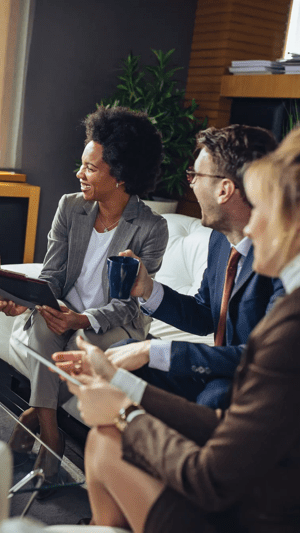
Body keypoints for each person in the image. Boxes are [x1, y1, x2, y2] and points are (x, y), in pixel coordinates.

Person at [56, 122, 300, 532]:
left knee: (108, 444)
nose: (253, 229)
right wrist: (121, 385)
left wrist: (124, 413)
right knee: (106, 440)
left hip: (283, 515)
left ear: (299, 218)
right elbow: (231, 426)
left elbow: (212, 479)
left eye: (262, 209)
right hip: (281, 494)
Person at [0, 106, 168, 479]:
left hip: (116, 323)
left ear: (119, 175)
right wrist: (33, 302)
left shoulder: (152, 228)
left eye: (90, 167)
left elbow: (130, 304)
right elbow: (52, 274)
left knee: (77, 346)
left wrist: (83, 319)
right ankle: (52, 436)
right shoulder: (70, 208)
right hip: (65, 307)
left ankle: (33, 418)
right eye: (82, 165)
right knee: (42, 325)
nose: (79, 173)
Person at [108, 125, 283, 408]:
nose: (190, 184)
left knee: (215, 397)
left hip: (253, 383)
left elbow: (260, 358)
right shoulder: (220, 240)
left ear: (224, 189)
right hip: (215, 370)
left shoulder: (280, 257)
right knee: (122, 355)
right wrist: (148, 289)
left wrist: (155, 349)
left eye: (195, 175)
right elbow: (204, 315)